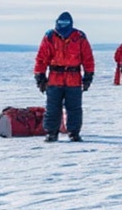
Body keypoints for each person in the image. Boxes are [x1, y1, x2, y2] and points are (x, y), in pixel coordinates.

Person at [34, 12, 95, 143]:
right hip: (55, 79)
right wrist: (40, 76)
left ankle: (74, 133)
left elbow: (88, 58)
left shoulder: (79, 37)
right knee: (52, 108)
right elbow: (41, 58)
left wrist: (88, 76)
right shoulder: (50, 37)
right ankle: (51, 133)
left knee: (74, 108)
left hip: (74, 79)